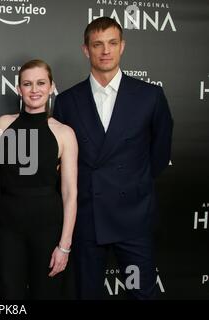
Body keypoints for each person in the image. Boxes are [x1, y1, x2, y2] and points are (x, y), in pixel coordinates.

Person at [53, 17, 173, 299]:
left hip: (133, 218)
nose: (105, 51)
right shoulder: (68, 101)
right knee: (87, 294)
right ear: (86, 50)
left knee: (141, 293)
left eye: (112, 43)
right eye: (97, 44)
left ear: (122, 47)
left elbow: (160, 153)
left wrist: (132, 183)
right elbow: (60, 162)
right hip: (87, 219)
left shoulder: (149, 96)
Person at [0, 59, 78, 299]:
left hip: (49, 230)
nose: (34, 89)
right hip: (9, 231)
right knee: (11, 298)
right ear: (19, 89)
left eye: (41, 83)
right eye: (27, 84)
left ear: (51, 87)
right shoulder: (4, 124)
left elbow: (70, 193)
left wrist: (64, 246)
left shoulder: (64, 133)